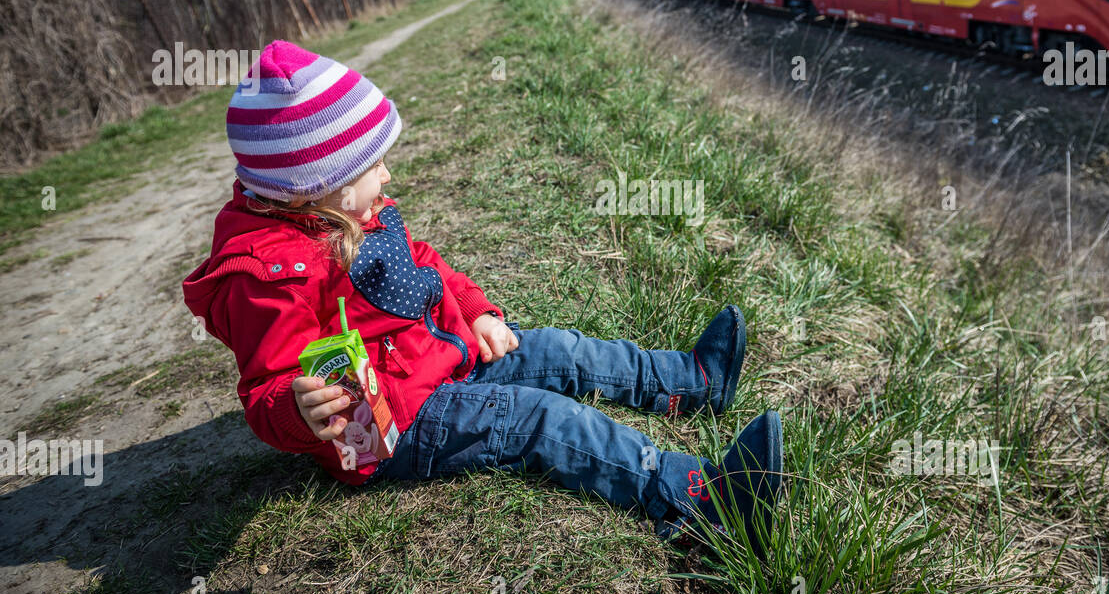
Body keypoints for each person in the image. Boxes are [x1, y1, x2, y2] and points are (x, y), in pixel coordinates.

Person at [183, 40, 784, 554]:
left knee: (558, 351)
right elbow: (266, 389)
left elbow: (425, 265)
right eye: (374, 164)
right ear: (318, 184)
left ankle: (688, 380)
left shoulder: (354, 214)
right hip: (400, 424)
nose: (388, 175)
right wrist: (299, 409)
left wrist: (476, 313)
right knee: (539, 420)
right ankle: (700, 500)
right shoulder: (265, 273)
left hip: (441, 356)